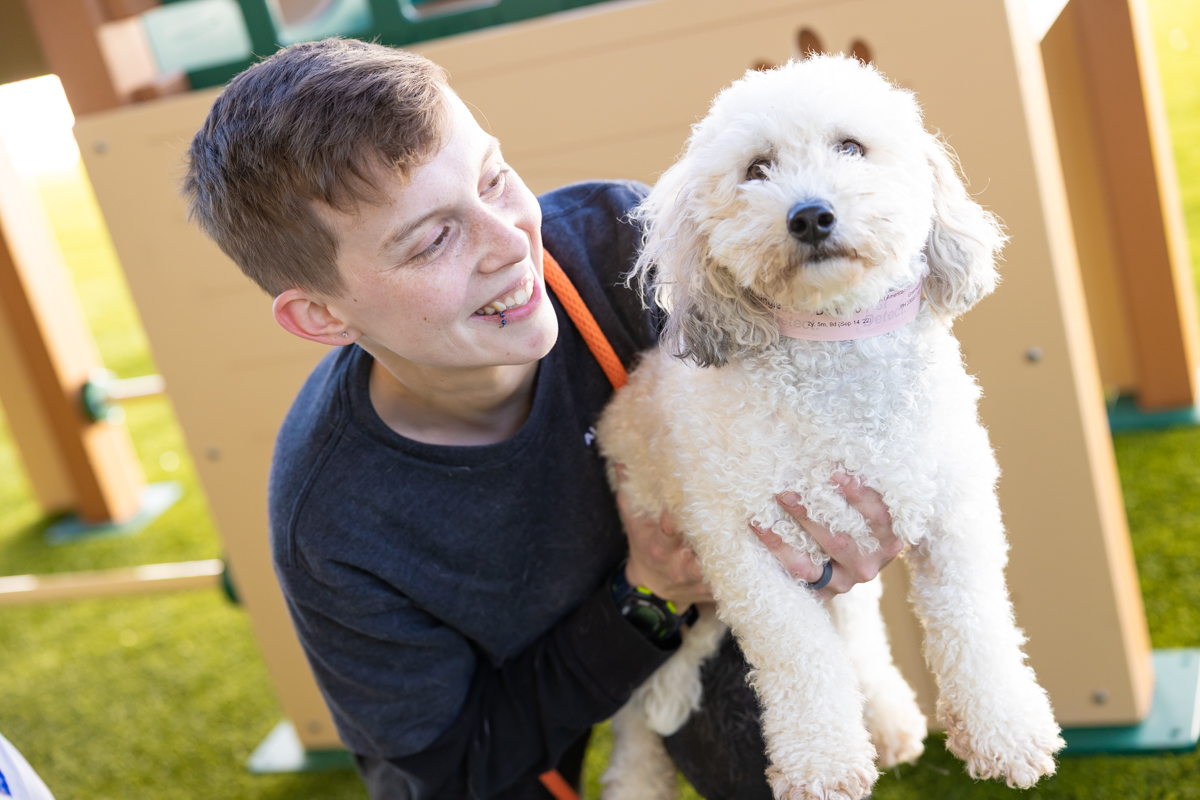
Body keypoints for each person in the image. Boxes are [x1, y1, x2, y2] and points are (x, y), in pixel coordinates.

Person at [183, 38, 903, 800]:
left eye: (494, 179)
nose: (509, 245)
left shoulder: (630, 247)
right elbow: (457, 765)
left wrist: (825, 549)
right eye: (433, 239)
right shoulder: (334, 523)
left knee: (763, 722)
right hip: (512, 727)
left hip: (702, 619)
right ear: (322, 316)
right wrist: (646, 593)